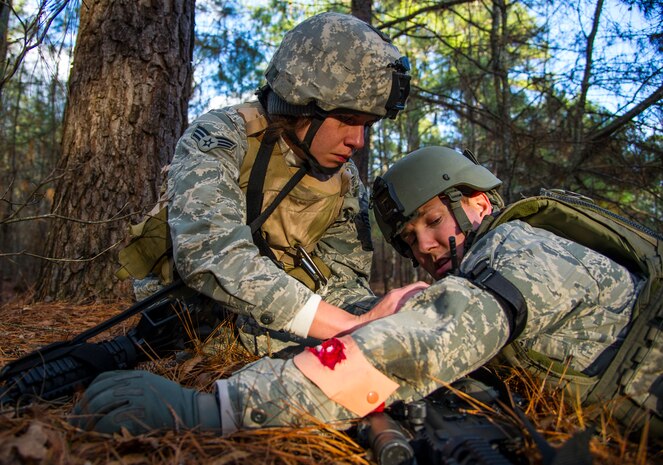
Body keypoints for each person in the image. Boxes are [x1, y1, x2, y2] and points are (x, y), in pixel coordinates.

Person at [71, 146, 661, 439]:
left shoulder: (520, 251)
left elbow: (413, 348)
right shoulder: (493, 267)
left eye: (433, 222)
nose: (426, 246)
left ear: (478, 201)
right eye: (410, 239)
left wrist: (213, 409)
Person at [115, 11, 421, 357]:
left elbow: (342, 282)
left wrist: (382, 317)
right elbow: (209, 254)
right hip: (185, 318)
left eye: (368, 125)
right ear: (300, 102)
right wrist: (347, 328)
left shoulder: (345, 182)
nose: (358, 141)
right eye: (348, 120)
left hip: (280, 318)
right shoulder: (224, 136)